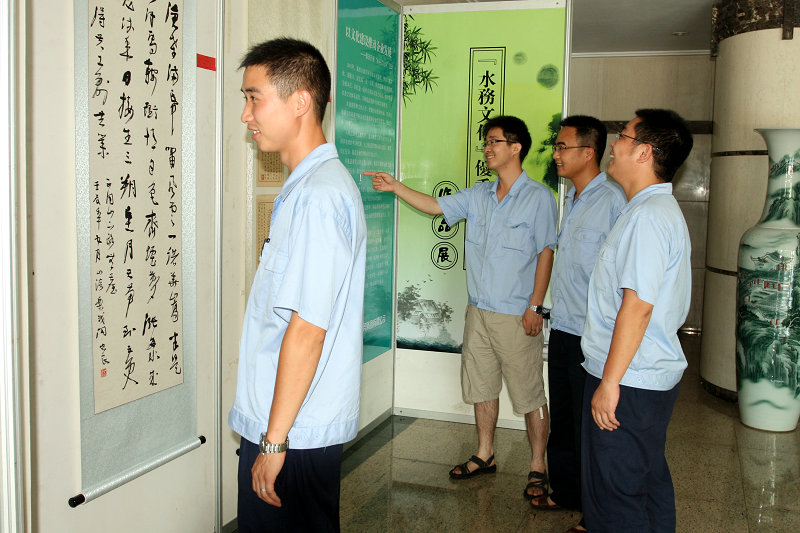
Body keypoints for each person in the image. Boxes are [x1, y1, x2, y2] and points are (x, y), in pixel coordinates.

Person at [367, 115, 557, 500]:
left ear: (516, 147)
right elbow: (434, 206)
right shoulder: (479, 195)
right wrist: (395, 186)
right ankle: (485, 453)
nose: (487, 148)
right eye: (486, 142)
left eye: (495, 141)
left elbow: (546, 252)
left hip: (517, 314)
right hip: (478, 311)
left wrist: (535, 306)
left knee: (530, 394)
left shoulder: (538, 198)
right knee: (481, 386)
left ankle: (538, 465)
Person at [227, 38, 367, 533]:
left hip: (293, 432)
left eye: (254, 97)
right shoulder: (307, 187)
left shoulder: (318, 198)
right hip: (288, 421)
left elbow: (308, 329)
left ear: (301, 101)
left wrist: (274, 442)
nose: (246, 115)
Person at [580, 109, 693, 533]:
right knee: (647, 481)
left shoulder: (648, 217)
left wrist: (610, 383)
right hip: (640, 376)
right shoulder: (649, 209)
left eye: (623, 136)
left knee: (617, 495)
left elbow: (638, 306)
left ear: (645, 152)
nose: (614, 144)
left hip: (629, 379)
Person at [530, 116, 625, 533]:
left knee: (592, 428)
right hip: (565, 328)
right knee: (566, 420)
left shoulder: (613, 201)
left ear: (589, 152)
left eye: (562, 147)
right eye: (555, 146)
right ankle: (567, 491)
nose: (556, 154)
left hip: (595, 335)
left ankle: (596, 512)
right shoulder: (572, 197)